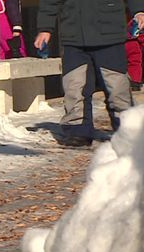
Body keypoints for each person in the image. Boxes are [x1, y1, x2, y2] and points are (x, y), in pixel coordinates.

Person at [35, 0, 144, 147]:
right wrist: (45, 28)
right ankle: (77, 129)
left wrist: (139, 11)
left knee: (117, 87)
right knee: (75, 86)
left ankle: (127, 127)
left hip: (110, 33)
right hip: (74, 35)